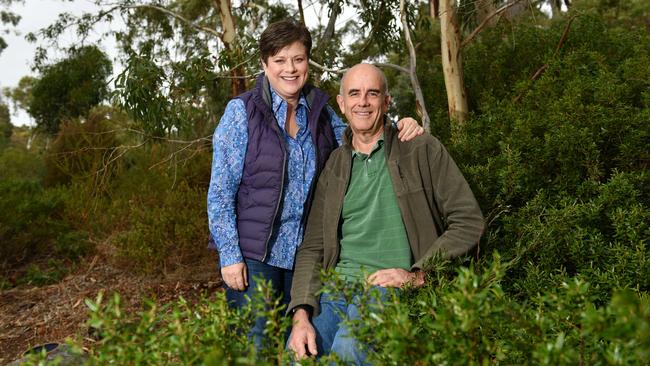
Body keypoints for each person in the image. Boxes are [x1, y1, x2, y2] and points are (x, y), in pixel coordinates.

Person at [206, 21, 423, 348]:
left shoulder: (321, 113)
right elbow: (220, 193)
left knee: (299, 346)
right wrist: (230, 255)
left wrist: (401, 125)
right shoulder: (242, 113)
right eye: (279, 60)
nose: (290, 69)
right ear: (264, 65)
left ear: (308, 62)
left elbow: (362, 132)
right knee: (256, 347)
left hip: (304, 258)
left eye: (298, 59)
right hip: (254, 257)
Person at [286, 63, 484, 364]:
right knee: (296, 356)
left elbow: (468, 221)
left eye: (372, 93)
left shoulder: (420, 149)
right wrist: (301, 314)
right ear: (342, 104)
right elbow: (313, 246)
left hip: (387, 289)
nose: (362, 102)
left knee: (349, 351)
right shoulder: (335, 166)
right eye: (354, 94)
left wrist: (419, 275)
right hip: (337, 289)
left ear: (386, 101)